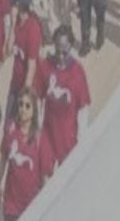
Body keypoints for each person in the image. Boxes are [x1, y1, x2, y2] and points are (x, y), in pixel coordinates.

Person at [0, 90, 54, 221]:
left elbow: (45, 176)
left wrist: (44, 204)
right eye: (21, 104)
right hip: (11, 204)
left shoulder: (40, 139)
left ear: (34, 110)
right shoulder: (11, 130)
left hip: (31, 206)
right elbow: (3, 158)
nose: (23, 109)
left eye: (28, 106)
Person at [39, 25, 91, 169]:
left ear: (71, 47)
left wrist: (82, 141)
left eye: (64, 52)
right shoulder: (46, 66)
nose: (60, 56)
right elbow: (38, 98)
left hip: (68, 140)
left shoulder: (77, 73)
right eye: (57, 51)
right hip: (47, 135)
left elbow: (83, 109)